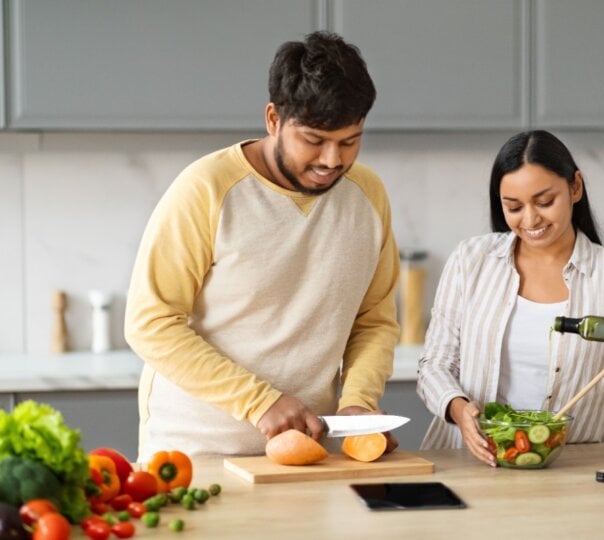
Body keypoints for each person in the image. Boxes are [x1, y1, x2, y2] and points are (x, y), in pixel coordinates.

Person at [125, 31, 400, 460]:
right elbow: (151, 324)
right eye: (313, 140)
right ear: (273, 119)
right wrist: (260, 401)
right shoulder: (207, 189)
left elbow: (374, 319)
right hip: (194, 456)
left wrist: (359, 402)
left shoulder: (368, 195)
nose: (332, 160)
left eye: (350, 141)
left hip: (306, 455)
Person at [416, 130, 604, 466]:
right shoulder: (471, 261)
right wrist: (457, 407)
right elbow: (434, 366)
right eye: (513, 207)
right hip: (468, 462)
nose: (530, 220)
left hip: (569, 473)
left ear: (575, 187)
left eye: (544, 202)